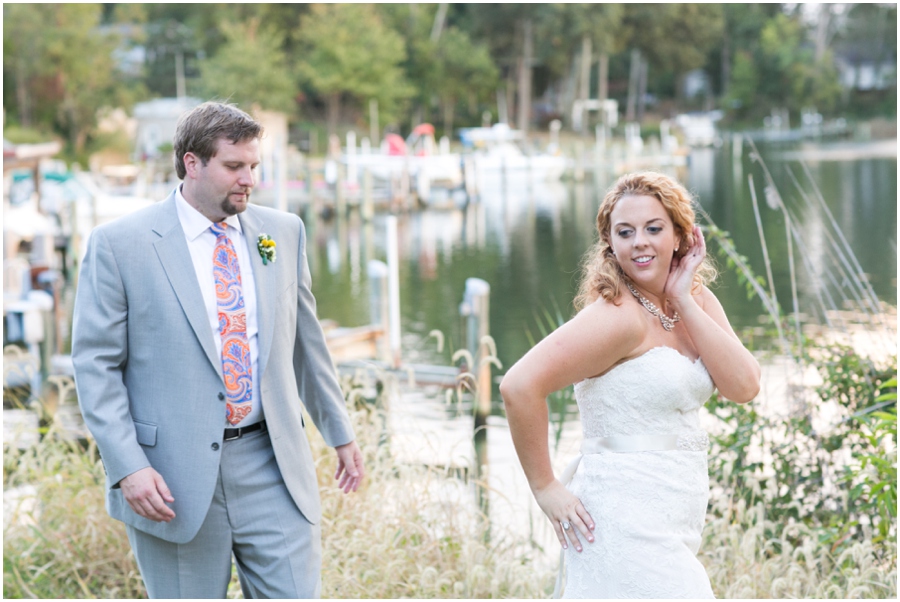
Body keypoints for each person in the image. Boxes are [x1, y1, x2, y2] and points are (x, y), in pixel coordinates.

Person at [72, 101, 365, 598]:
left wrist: (339, 432)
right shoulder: (119, 245)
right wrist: (128, 466)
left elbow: (306, 345)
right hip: (171, 479)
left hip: (273, 464)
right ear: (192, 163)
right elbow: (94, 366)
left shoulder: (282, 232)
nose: (248, 178)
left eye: (253, 166)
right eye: (234, 166)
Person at [500, 171, 760, 598]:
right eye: (625, 232)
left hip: (674, 520)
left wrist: (681, 299)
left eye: (653, 229)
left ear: (681, 236)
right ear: (610, 244)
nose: (639, 241)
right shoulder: (616, 317)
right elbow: (519, 386)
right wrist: (545, 486)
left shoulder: (694, 300)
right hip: (623, 522)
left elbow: (745, 386)